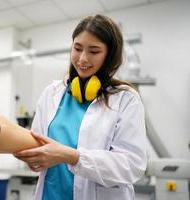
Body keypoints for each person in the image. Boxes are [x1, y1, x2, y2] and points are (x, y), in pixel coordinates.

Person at [13, 14, 147, 200]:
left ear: (109, 55)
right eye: (77, 48)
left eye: (94, 51)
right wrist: (32, 158)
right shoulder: (51, 93)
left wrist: (72, 157)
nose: (83, 58)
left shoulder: (125, 99)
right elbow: (37, 143)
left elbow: (131, 166)